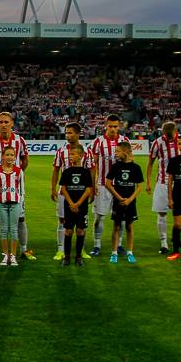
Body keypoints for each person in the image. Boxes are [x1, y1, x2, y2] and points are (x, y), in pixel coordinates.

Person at [0, 112, 31, 261]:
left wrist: (17, 175)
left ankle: (24, 249)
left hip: (15, 188)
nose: (3, 125)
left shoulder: (19, 141)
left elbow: (25, 159)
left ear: (12, 124)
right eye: (0, 122)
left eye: (6, 122)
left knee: (21, 219)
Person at [50, 122, 94, 261]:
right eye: (66, 133)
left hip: (82, 192)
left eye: (70, 133)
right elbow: (56, 170)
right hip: (65, 192)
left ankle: (81, 251)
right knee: (62, 221)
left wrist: (93, 189)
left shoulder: (87, 151)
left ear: (78, 133)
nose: (67, 136)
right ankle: (60, 250)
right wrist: (53, 188)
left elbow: (92, 170)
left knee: (81, 223)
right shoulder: (61, 151)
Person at [89, 114, 130, 258]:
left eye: (115, 126)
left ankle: (118, 244)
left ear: (119, 126)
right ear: (106, 125)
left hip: (121, 186)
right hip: (102, 185)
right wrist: (92, 185)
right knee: (99, 217)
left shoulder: (124, 141)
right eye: (110, 126)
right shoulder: (98, 142)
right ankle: (97, 245)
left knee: (121, 218)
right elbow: (93, 166)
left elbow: (130, 162)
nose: (113, 129)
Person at [105, 141, 143, 264]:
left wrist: (130, 199)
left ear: (125, 152)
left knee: (129, 226)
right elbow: (108, 183)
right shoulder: (116, 166)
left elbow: (139, 186)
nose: (115, 153)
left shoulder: (136, 167)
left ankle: (130, 252)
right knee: (116, 226)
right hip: (118, 201)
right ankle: (114, 253)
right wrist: (119, 197)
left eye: (117, 151)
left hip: (130, 202)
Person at [146, 121, 180, 254]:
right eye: (167, 136)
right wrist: (148, 182)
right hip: (162, 182)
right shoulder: (157, 143)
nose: (170, 138)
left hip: (180, 183)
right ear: (163, 133)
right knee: (162, 213)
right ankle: (164, 242)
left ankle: (176, 236)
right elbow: (150, 163)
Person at [58, 144, 94, 266]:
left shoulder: (85, 172)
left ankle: (78, 257)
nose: (70, 157)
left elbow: (89, 189)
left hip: (82, 206)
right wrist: (71, 203)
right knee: (68, 231)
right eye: (70, 154)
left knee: (80, 231)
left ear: (81, 156)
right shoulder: (67, 172)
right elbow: (63, 189)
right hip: (69, 206)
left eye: (73, 154)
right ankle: (66, 257)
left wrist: (78, 203)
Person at [0, 146, 24, 266]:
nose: (9, 157)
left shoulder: (19, 171)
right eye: (7, 155)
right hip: (1, 203)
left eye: (12, 155)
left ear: (15, 157)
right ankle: (5, 256)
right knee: (4, 229)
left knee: (14, 230)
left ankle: (13, 256)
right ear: (3, 156)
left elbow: (22, 189)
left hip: (15, 203)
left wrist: (21, 202)